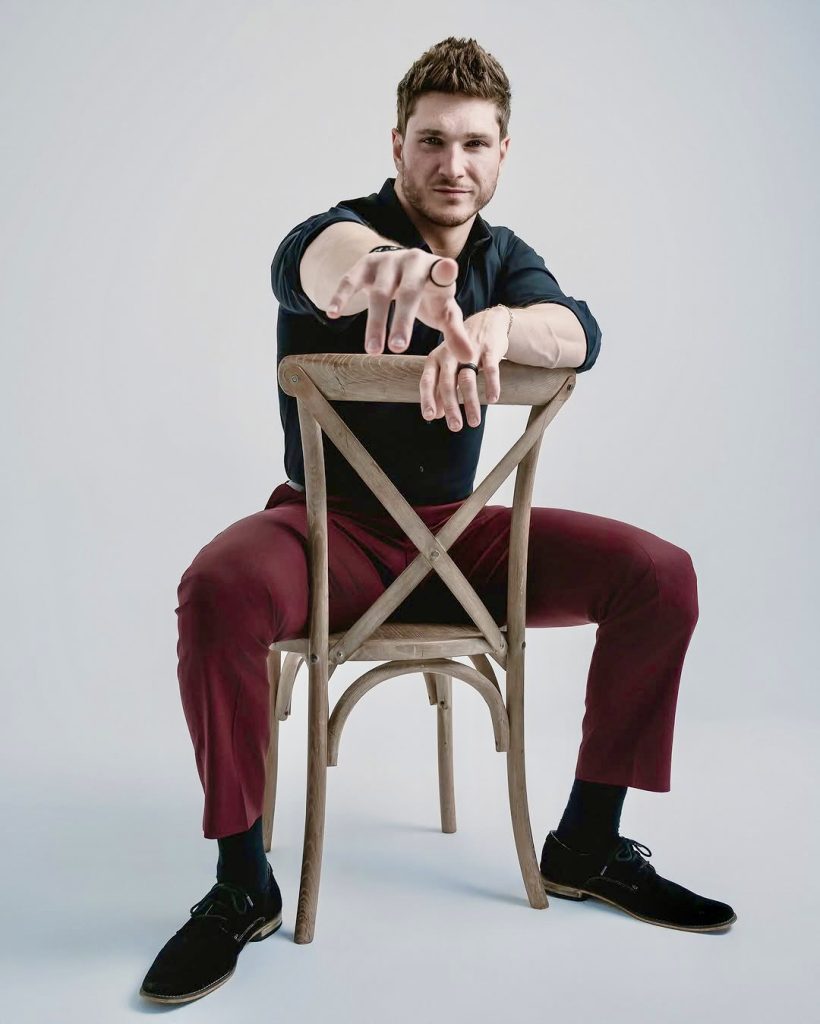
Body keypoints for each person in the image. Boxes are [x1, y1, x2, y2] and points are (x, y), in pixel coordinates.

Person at [139, 36, 736, 1006]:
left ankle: (587, 843)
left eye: (473, 143)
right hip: (327, 535)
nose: (452, 164)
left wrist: (499, 324)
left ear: (502, 153)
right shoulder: (340, 231)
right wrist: (394, 273)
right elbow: (314, 263)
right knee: (217, 588)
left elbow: (579, 333)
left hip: (462, 540)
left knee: (659, 575)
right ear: (397, 146)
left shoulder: (505, 258)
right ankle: (240, 882)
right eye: (431, 142)